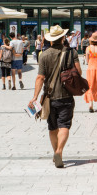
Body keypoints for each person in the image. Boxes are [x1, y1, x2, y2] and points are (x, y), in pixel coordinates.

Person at [28, 25, 81, 168]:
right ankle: (59, 151)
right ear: (63, 38)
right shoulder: (71, 53)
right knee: (64, 125)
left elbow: (40, 77)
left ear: (51, 40)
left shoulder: (44, 55)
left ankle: (55, 151)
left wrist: (34, 97)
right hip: (66, 95)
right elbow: (79, 72)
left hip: (50, 97)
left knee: (52, 127)